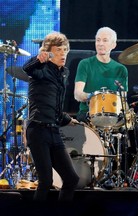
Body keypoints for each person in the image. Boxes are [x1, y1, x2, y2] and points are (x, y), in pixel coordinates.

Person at [22, 31, 80, 201]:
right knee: (45, 181)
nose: (63, 53)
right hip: (38, 130)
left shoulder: (64, 72)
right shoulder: (40, 70)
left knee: (71, 179)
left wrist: (67, 119)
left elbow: (54, 105)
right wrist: (38, 59)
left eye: (65, 50)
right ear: (49, 52)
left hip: (54, 131)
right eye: (59, 50)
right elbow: (27, 68)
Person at [74, 26, 128, 125]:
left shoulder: (121, 69)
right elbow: (77, 94)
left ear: (113, 45)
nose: (100, 44)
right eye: (98, 40)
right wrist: (93, 97)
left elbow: (123, 100)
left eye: (105, 40)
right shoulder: (85, 64)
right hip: (87, 114)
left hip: (112, 117)